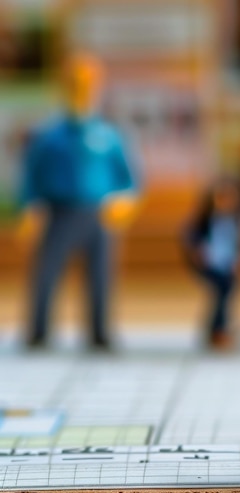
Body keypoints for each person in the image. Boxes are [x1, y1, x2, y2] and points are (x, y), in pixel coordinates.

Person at [16, 52, 140, 350]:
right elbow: (31, 175)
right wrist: (29, 207)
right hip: (58, 211)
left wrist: (124, 200)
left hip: (97, 213)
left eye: (87, 81)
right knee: (47, 273)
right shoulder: (49, 136)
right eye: (74, 81)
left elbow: (127, 178)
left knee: (100, 276)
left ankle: (99, 331)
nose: (81, 87)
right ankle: (38, 330)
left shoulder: (108, 135)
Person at [182, 179, 240, 350]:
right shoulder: (205, 219)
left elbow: (237, 246)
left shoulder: (233, 220)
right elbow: (190, 236)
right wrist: (196, 250)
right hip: (209, 264)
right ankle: (217, 330)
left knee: (227, 289)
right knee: (222, 287)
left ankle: (219, 329)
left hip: (226, 265)